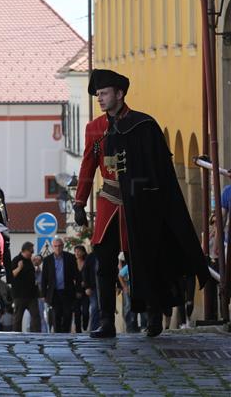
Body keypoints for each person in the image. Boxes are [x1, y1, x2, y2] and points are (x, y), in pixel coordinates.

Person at [72, 69, 208, 338]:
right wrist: (79, 202)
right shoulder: (95, 129)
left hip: (141, 203)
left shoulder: (143, 125)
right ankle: (106, 322)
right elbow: (88, 166)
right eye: (98, 94)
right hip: (110, 202)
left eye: (105, 93)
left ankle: (154, 316)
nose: (100, 99)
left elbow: (158, 169)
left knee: (145, 260)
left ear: (119, 94)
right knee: (105, 263)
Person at [40, 238, 78, 333]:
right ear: (53, 247)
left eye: (60, 246)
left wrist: (78, 290)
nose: (58, 248)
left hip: (67, 291)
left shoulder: (70, 257)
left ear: (63, 246)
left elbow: (77, 275)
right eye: (55, 246)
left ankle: (66, 334)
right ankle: (57, 335)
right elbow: (44, 278)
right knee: (56, 314)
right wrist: (43, 294)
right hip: (54, 292)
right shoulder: (47, 260)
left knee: (67, 314)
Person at [11, 241, 42, 332]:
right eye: (31, 251)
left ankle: (36, 335)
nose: (32, 253)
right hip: (20, 295)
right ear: (25, 250)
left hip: (32, 294)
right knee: (18, 317)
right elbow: (12, 275)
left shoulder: (30, 261)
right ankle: (16, 335)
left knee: (36, 316)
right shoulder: (16, 260)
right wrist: (19, 268)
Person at [73, 245, 91, 333]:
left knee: (85, 311)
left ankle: (85, 324)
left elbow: (90, 274)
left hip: (85, 290)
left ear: (83, 252)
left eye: (79, 251)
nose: (77, 253)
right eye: (75, 251)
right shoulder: (72, 262)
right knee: (76, 312)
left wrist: (87, 283)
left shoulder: (87, 262)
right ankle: (78, 330)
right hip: (75, 290)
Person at [32, 254, 49, 333]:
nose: (36, 261)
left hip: (39, 296)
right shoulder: (29, 269)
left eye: (39, 260)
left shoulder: (42, 272)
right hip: (29, 296)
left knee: (41, 315)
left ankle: (44, 332)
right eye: (35, 259)